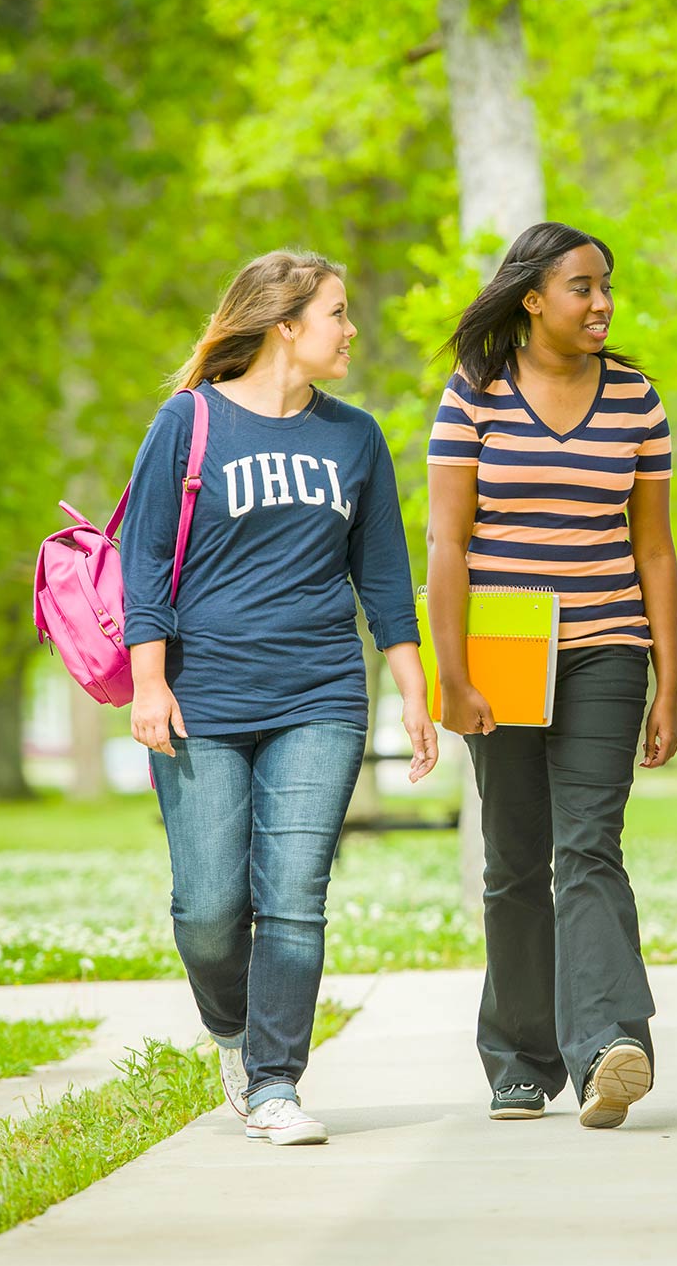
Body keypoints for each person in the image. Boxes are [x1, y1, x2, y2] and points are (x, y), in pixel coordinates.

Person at [121, 250, 438, 1146]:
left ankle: (275, 1083)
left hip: (321, 696)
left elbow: (383, 581)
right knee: (210, 910)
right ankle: (232, 1026)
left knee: (295, 896)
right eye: (337, 313)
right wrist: (149, 682)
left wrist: (414, 696)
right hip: (201, 700)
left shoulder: (356, 437)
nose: (351, 329)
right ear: (284, 324)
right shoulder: (187, 423)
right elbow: (143, 564)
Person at [425, 221, 677, 1129]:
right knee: (513, 861)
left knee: (590, 844)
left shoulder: (636, 400)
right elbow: (447, 543)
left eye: (607, 285)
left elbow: (653, 546)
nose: (602, 302)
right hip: (502, 652)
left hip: (608, 647)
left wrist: (669, 679)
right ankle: (520, 1060)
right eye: (583, 287)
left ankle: (613, 1042)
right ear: (532, 298)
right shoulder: (476, 394)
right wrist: (451, 675)